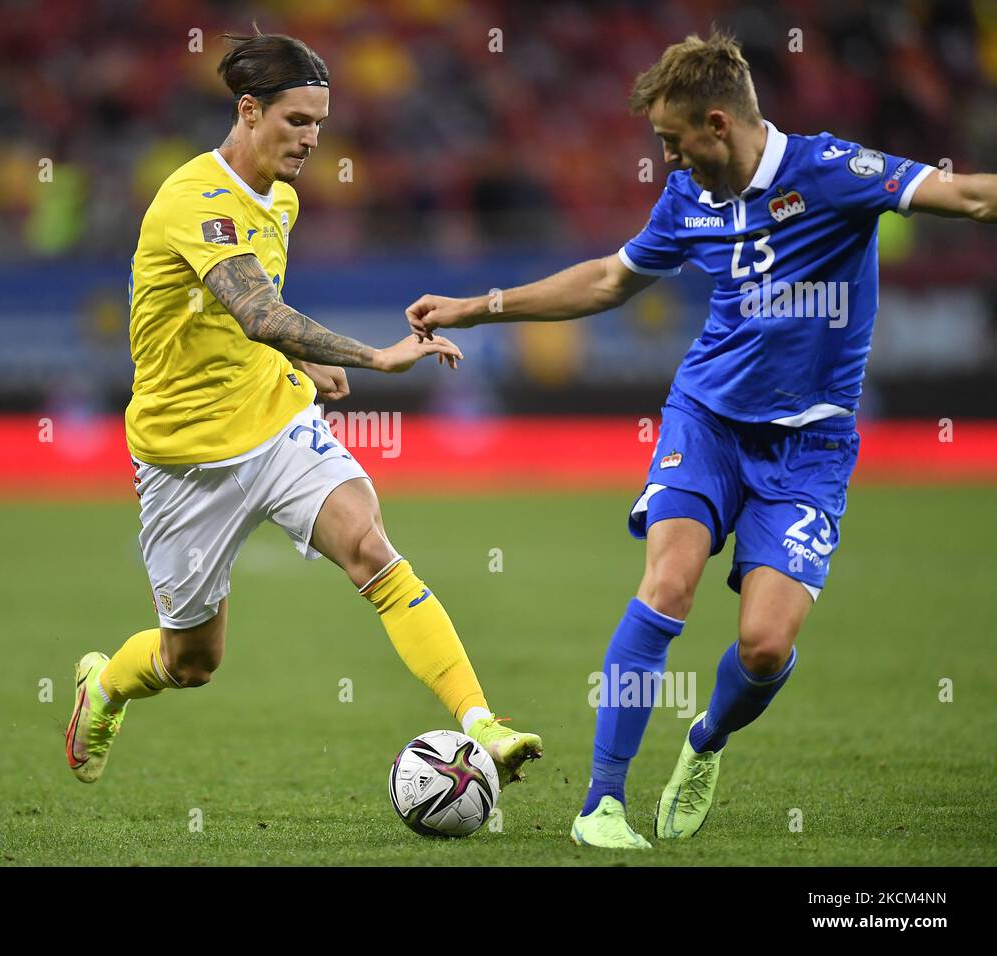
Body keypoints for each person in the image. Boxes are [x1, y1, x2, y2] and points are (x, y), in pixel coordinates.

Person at [406, 29, 996, 848]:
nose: (669, 161)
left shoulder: (833, 172)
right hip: (706, 421)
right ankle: (600, 806)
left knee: (763, 645)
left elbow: (970, 198)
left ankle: (706, 739)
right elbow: (612, 278)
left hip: (811, 449)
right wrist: (479, 306)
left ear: (718, 125)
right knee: (669, 584)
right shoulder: (689, 199)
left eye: (673, 143)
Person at [66, 31, 542, 790]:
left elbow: (257, 315)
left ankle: (482, 723)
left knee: (371, 550)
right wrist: (375, 356)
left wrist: (303, 359)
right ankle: (107, 687)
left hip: (278, 422)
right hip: (184, 455)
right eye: (297, 121)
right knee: (191, 662)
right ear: (248, 112)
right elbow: (256, 312)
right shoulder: (194, 198)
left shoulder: (281, 199)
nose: (312, 139)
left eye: (319, 123)